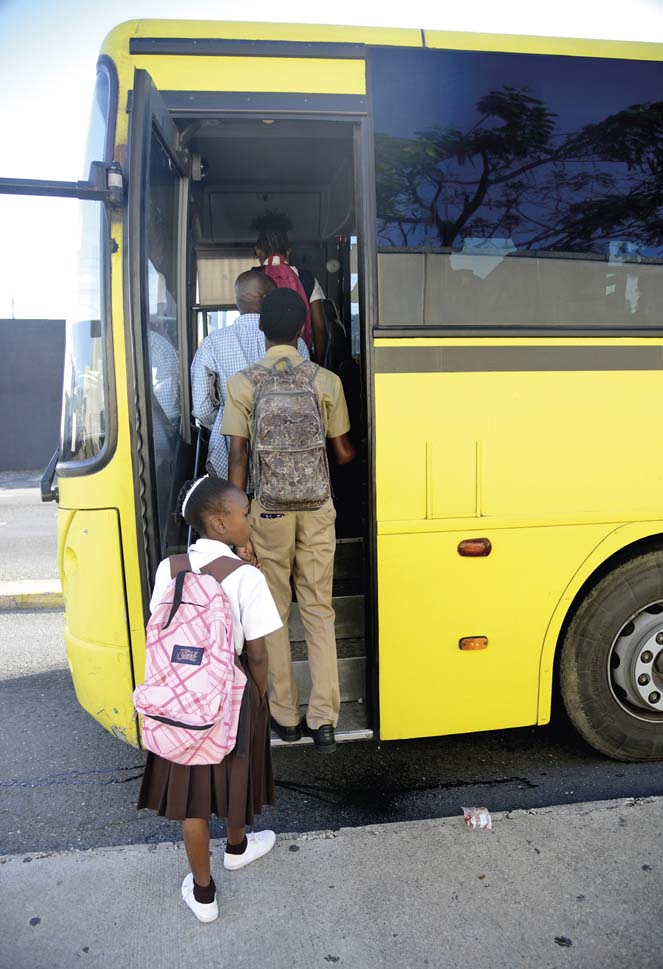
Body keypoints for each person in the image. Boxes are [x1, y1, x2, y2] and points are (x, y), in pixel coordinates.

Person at [137, 476, 283, 923]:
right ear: (220, 523)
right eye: (244, 514)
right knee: (237, 772)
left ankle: (203, 893)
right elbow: (257, 652)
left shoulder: (170, 567)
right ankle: (236, 847)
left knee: (192, 797)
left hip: (180, 694)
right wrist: (258, 695)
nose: (250, 520)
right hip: (232, 690)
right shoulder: (247, 577)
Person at [221, 288, 356, 753]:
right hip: (317, 509)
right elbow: (342, 453)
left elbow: (237, 460)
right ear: (302, 329)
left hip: (270, 511)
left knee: (274, 612)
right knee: (319, 611)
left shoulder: (242, 383)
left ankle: (286, 717)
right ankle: (324, 722)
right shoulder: (326, 381)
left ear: (261, 327)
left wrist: (239, 526)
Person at [191, 270, 309, 478]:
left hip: (229, 457)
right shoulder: (295, 342)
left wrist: (225, 424)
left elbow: (201, 408)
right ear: (267, 299)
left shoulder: (213, 343)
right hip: (286, 462)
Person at [252, 210, 328, 366]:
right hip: (301, 361)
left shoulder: (250, 280)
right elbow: (320, 329)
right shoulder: (307, 279)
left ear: (258, 251)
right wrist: (318, 365)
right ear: (288, 252)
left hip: (263, 363)